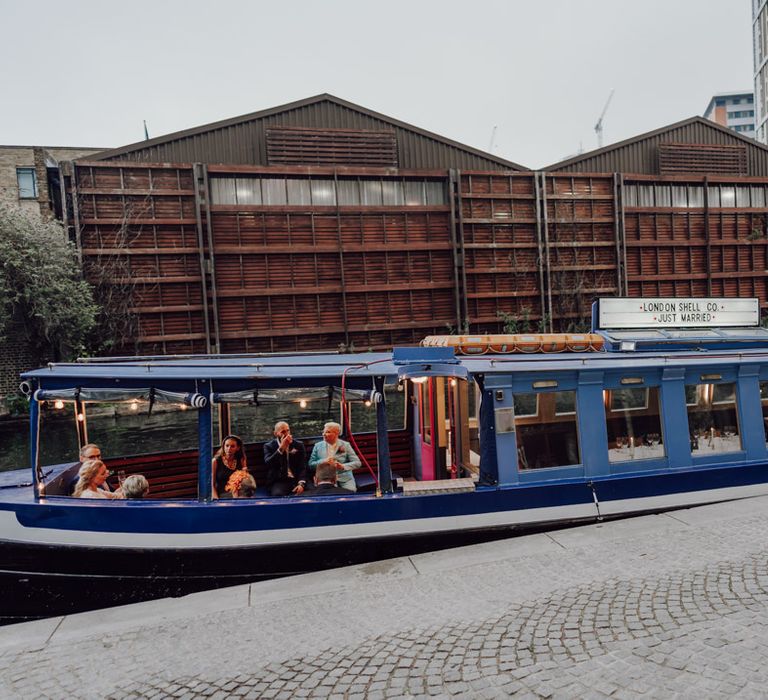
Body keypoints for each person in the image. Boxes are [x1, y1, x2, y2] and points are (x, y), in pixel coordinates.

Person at [308, 422, 361, 492]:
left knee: (350, 492)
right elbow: (311, 464)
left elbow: (357, 463)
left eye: (328, 432)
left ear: (336, 433)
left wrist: (342, 466)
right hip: (324, 479)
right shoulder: (318, 446)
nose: (323, 434)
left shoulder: (345, 445)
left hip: (345, 478)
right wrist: (323, 461)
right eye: (323, 432)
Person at [263, 421, 307, 497]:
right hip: (280, 480)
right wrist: (281, 448)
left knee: (311, 492)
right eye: (283, 432)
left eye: (288, 430)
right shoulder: (269, 446)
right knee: (277, 495)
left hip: (297, 478)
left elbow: (302, 466)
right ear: (276, 433)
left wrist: (301, 483)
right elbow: (269, 464)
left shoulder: (298, 445)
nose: (287, 434)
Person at [212, 435, 248, 499]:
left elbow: (244, 481)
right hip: (222, 493)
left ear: (238, 448)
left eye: (232, 446)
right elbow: (212, 485)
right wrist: (216, 500)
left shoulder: (241, 459)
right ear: (223, 446)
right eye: (227, 446)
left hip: (239, 492)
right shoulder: (215, 461)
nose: (229, 449)